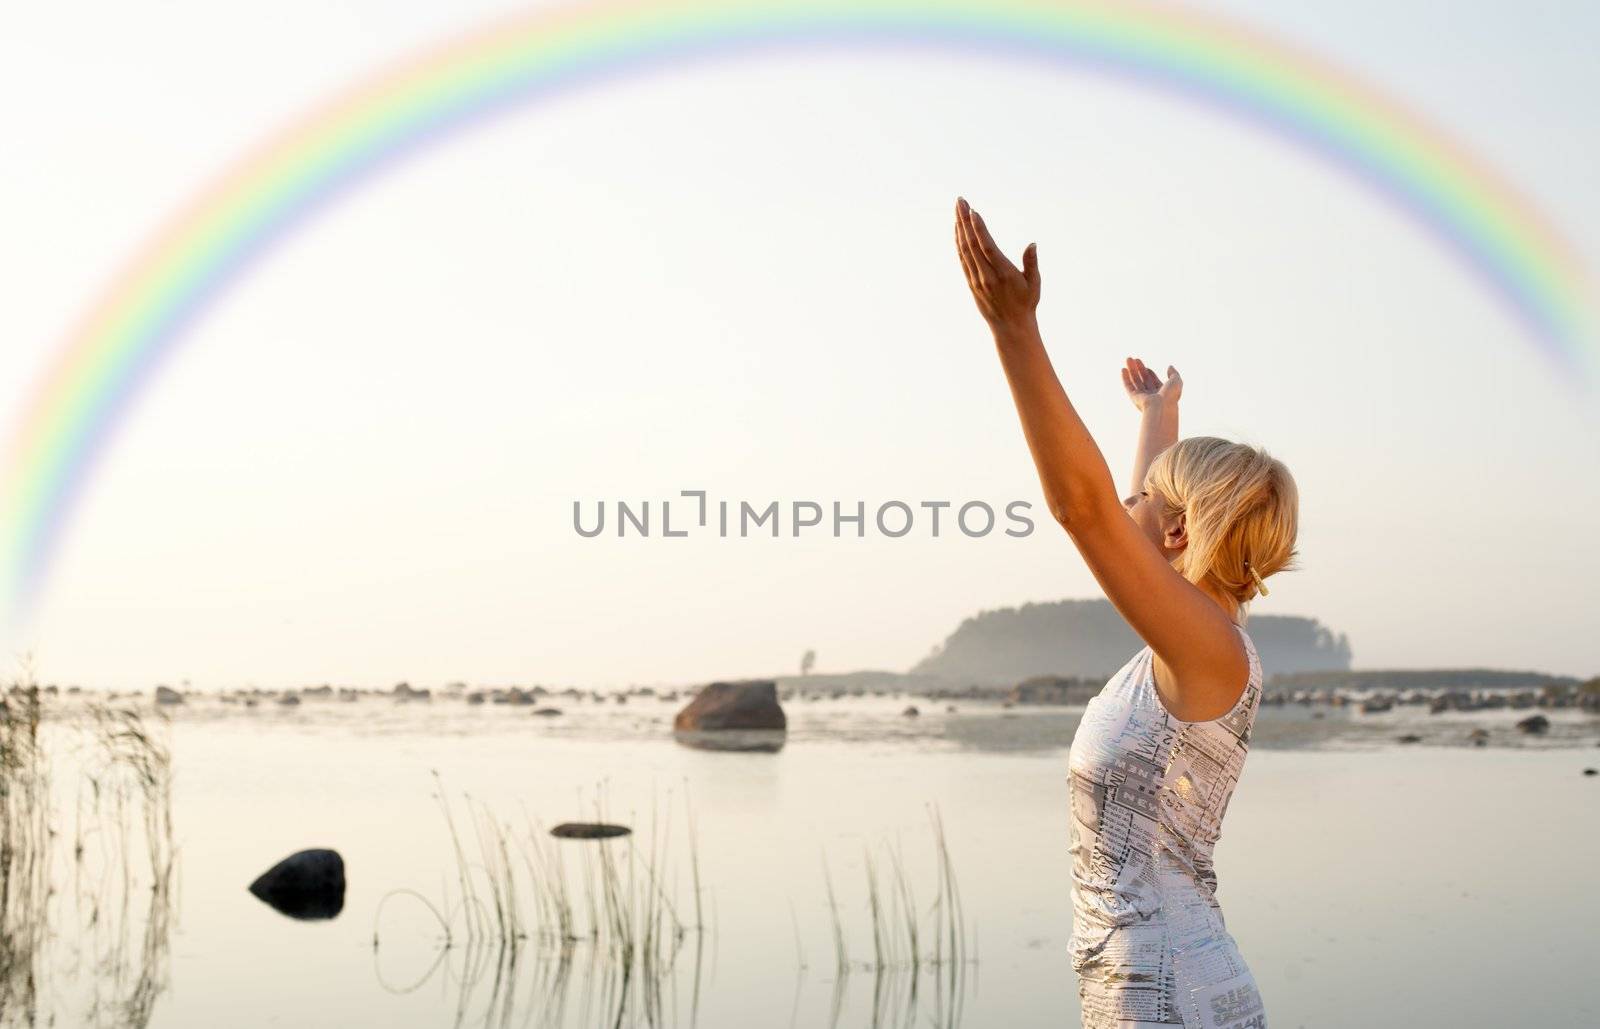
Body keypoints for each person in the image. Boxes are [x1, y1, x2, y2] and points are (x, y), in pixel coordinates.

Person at [953, 198, 1296, 1029]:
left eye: (1141, 498)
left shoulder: (1209, 651)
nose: (1124, 502)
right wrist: (1157, 416)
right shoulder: (1184, 644)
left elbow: (1086, 509)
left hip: (1172, 993)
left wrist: (1015, 333)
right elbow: (1137, 519)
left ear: (1177, 528)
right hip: (1142, 983)